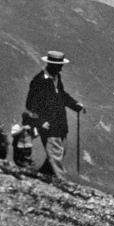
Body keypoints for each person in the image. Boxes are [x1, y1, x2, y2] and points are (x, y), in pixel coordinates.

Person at [25, 50, 85, 182]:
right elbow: (30, 104)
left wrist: (75, 104)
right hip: (49, 126)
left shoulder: (57, 78)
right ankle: (62, 184)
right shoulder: (39, 81)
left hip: (60, 124)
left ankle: (42, 176)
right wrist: (41, 121)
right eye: (59, 66)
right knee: (55, 155)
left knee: (59, 152)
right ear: (51, 65)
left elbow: (62, 96)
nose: (61, 68)